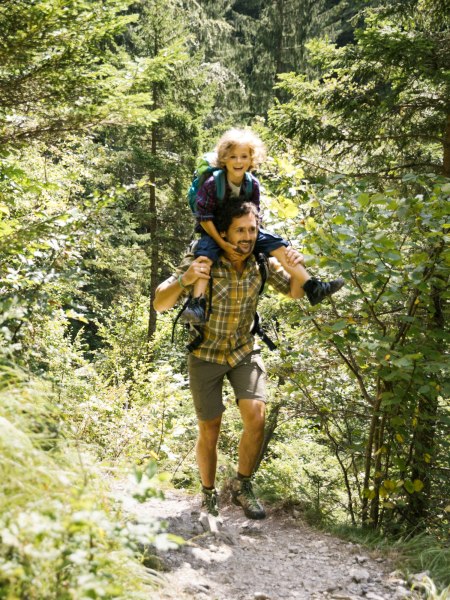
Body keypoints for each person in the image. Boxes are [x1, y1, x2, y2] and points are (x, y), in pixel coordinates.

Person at [153, 201, 306, 520]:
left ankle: (242, 485)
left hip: (243, 349)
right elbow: (159, 303)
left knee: (256, 415)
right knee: (210, 427)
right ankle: (208, 494)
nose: (248, 237)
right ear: (223, 233)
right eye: (240, 230)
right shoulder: (204, 259)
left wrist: (296, 268)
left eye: (252, 230)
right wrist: (184, 280)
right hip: (205, 352)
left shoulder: (260, 261)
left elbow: (294, 293)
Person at [180, 127, 344, 324]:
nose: (238, 162)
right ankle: (197, 304)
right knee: (205, 255)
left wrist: (259, 239)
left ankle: (312, 286)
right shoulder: (214, 183)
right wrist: (221, 243)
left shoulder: (252, 184)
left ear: (252, 159)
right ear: (224, 159)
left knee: (278, 245)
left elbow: (254, 216)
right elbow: (204, 217)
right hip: (214, 230)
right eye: (233, 157)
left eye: (243, 156)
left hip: (243, 230)